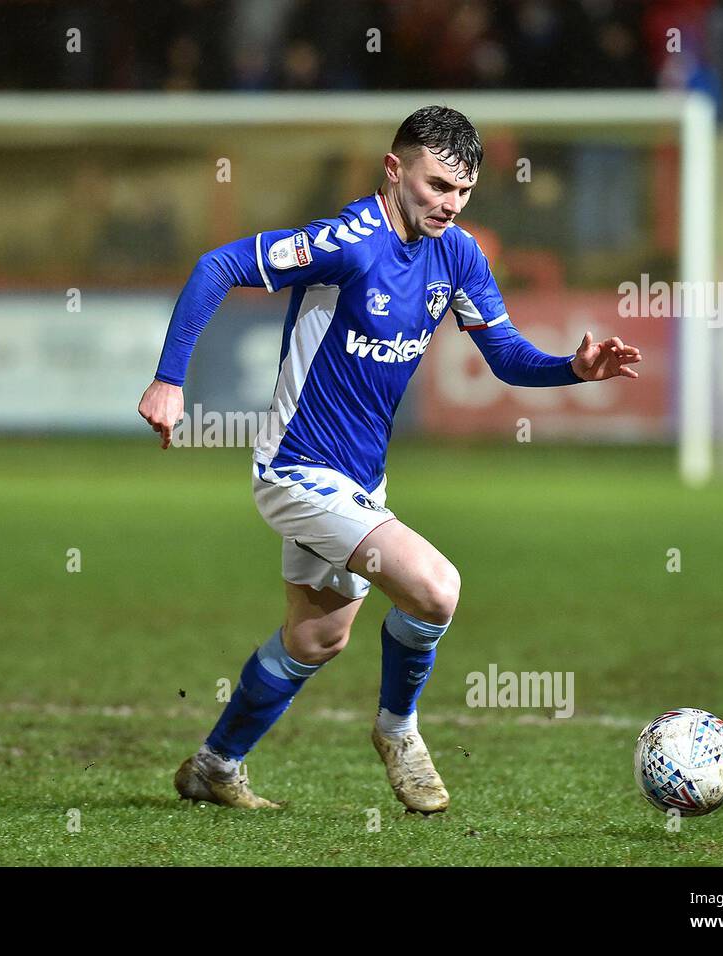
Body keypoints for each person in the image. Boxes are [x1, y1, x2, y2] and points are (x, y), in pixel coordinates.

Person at [138, 106, 642, 812]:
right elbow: (216, 265)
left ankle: (215, 766)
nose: (449, 204)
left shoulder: (457, 253)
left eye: (462, 192)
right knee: (436, 588)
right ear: (393, 168)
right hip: (297, 470)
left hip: (360, 482)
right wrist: (169, 378)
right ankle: (398, 728)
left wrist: (571, 370)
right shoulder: (347, 241)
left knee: (314, 639)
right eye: (436, 186)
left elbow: (504, 357)